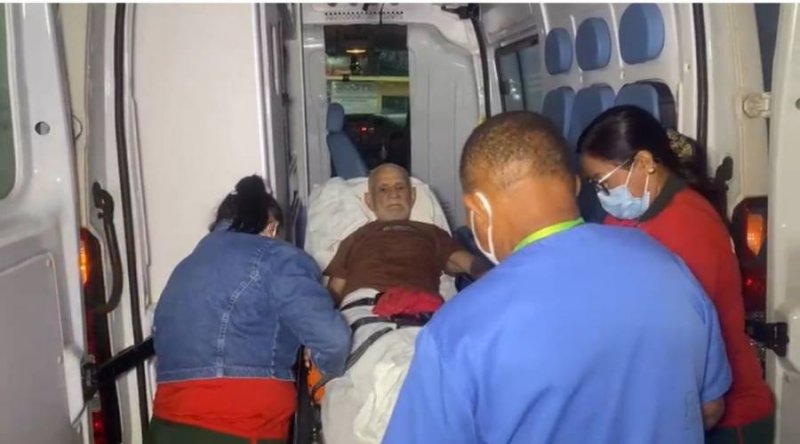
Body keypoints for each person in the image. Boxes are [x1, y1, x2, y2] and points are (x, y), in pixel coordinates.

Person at [382, 111, 731, 444]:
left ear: (478, 209)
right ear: (575, 185)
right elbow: (710, 408)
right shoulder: (668, 266)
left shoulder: (458, 334)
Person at [577, 105, 775, 443]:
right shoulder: (627, 216)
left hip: (725, 417)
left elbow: (677, 346)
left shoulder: (689, 226)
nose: (601, 194)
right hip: (676, 406)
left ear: (644, 163)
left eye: (603, 182)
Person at [148, 175, 350, 444]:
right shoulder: (276, 257)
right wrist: (323, 374)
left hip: (165, 424)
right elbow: (333, 339)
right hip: (240, 426)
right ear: (271, 227)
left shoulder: (185, 267)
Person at [325, 163, 489, 304]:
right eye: (383, 189)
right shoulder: (357, 237)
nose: (394, 194)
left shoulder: (431, 233)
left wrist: (492, 276)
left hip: (419, 309)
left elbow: (467, 263)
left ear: (412, 196)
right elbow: (335, 290)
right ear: (370, 201)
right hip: (365, 307)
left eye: (400, 187)